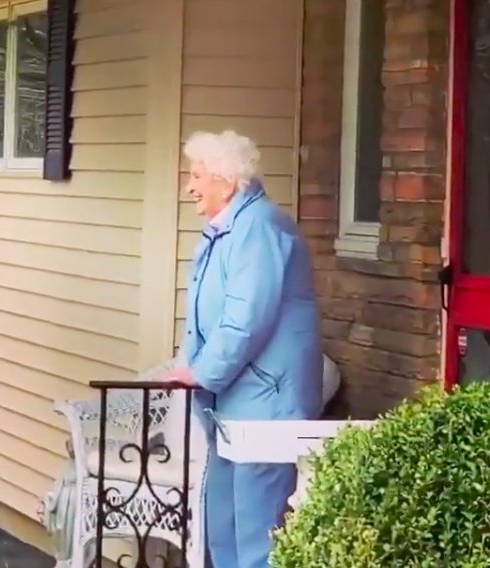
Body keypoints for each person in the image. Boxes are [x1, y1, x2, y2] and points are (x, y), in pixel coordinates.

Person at [162, 130, 323, 568]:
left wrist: (200, 372)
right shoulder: (223, 233)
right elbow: (205, 320)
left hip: (265, 407)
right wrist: (187, 367)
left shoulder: (260, 228)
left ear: (227, 181)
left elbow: (246, 316)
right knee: (225, 529)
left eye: (197, 176)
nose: (190, 187)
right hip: (231, 404)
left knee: (256, 539)